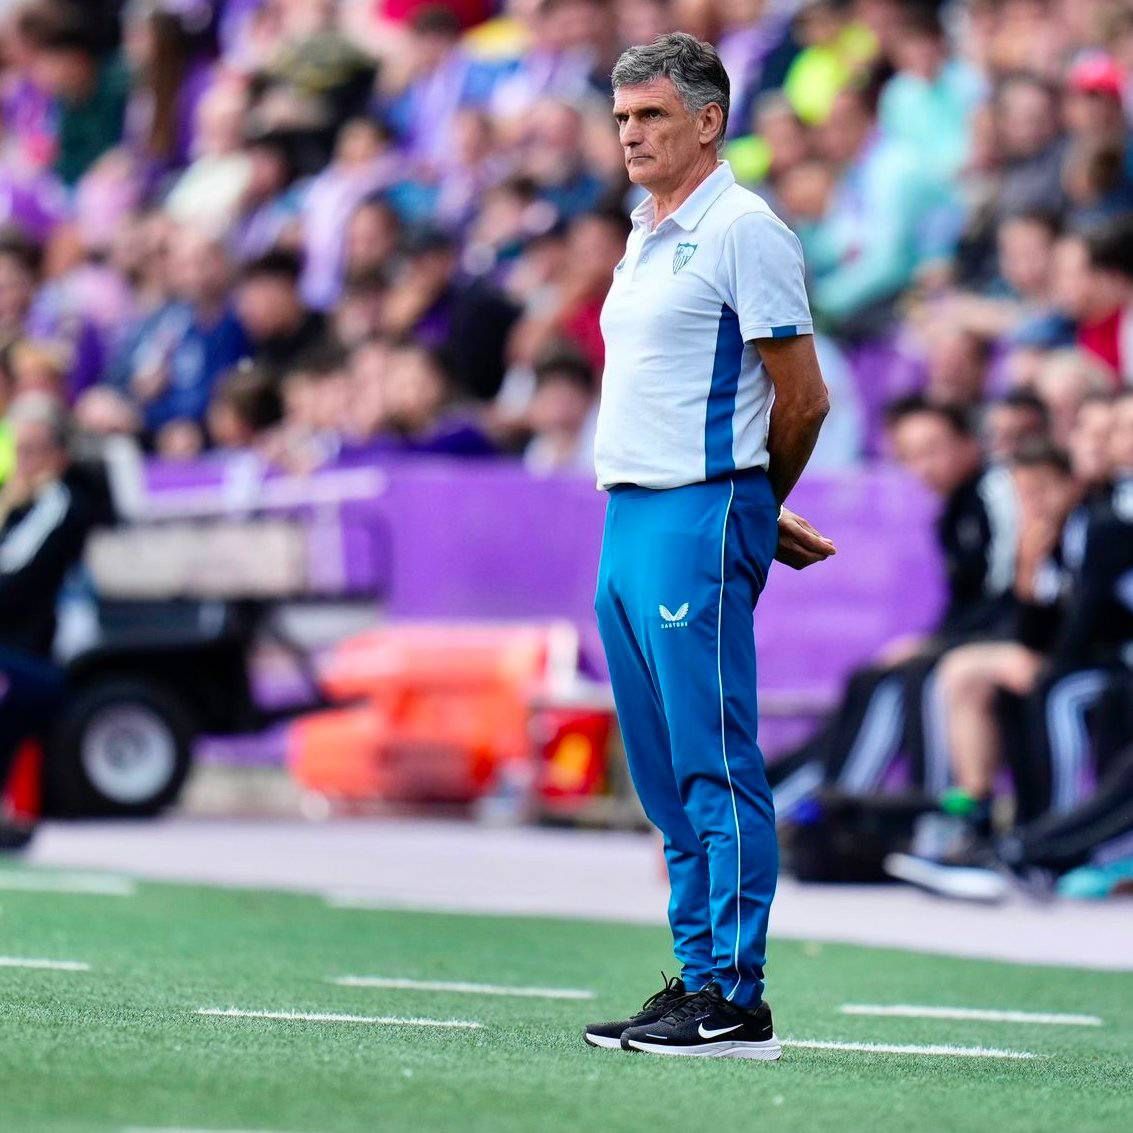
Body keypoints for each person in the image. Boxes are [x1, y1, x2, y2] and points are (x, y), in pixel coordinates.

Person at [584, 33, 832, 1060]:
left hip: (695, 513)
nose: (630, 134)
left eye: (649, 115)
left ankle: (736, 997)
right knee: (660, 771)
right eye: (620, 118)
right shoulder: (644, 230)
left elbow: (802, 398)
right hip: (629, 514)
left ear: (707, 120)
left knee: (714, 761)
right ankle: (696, 975)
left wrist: (748, 501)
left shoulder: (743, 229)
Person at [0, 395, 100, 848]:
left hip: (44, 654)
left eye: (35, 450)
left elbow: (17, 578)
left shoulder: (62, 501)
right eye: (19, 449)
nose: (25, 460)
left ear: (59, 454)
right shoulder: (17, 501)